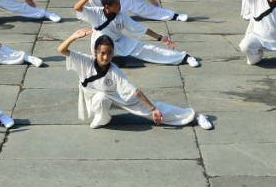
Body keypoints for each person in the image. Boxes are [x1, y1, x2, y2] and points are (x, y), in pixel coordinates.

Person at [57, 28, 212, 130]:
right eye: (102, 53)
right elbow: (61, 50)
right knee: (100, 98)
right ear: (95, 52)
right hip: (93, 95)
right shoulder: (85, 61)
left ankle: (194, 116)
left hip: (116, 95)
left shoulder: (115, 71)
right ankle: (102, 118)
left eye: (109, 53)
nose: (105, 57)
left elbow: (135, 92)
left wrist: (153, 109)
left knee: (151, 109)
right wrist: (74, 36)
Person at [74, 0, 201, 67]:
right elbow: (77, 8)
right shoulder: (95, 13)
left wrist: (160, 38)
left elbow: (140, 28)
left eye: (120, 3)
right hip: (101, 45)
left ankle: (183, 57)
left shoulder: (122, 16)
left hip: (120, 41)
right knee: (100, 62)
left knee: (147, 49)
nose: (120, 6)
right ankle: (113, 60)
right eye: (117, 4)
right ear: (107, 6)